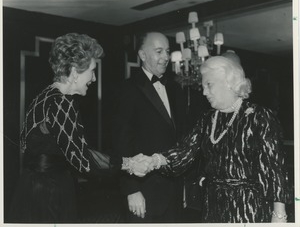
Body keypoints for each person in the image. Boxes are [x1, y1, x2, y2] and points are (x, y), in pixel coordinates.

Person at [9, 33, 148, 223]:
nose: (94, 78)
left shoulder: (43, 96)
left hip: (30, 188)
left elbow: (28, 145)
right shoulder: (62, 103)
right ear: (75, 72)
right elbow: (83, 159)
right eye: (92, 70)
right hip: (51, 192)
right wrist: (128, 164)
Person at [142, 55, 291, 223]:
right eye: (203, 86)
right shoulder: (207, 119)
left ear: (228, 82)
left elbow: (274, 168)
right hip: (213, 205)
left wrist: (279, 215)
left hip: (248, 207)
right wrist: (154, 160)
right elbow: (185, 151)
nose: (204, 92)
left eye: (209, 85)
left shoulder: (259, 117)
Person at [111, 32, 187, 222]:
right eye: (159, 51)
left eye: (168, 51)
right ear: (142, 55)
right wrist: (132, 189)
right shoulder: (127, 89)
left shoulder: (176, 89)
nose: (166, 57)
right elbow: (121, 142)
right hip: (144, 191)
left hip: (174, 190)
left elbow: (181, 138)